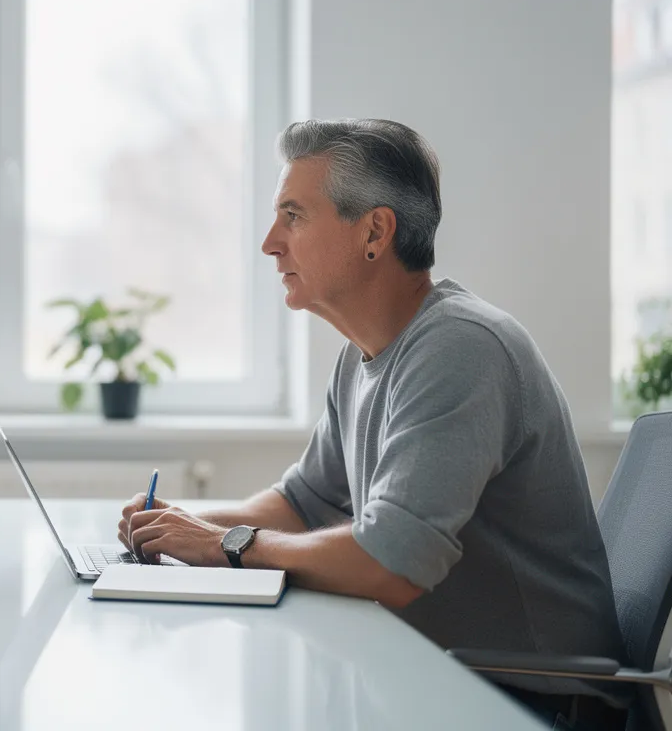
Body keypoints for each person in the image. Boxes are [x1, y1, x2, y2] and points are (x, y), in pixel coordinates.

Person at [118, 118, 626, 730]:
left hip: (530, 705)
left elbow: (395, 562)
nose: (271, 242)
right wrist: (179, 525)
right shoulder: (364, 355)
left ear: (374, 232)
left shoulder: (460, 349)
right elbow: (302, 503)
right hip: (446, 678)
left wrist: (225, 546)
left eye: (294, 215)